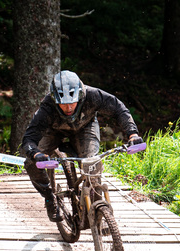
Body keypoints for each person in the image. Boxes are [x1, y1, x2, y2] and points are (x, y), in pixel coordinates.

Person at [22, 70, 144, 222]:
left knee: (92, 163)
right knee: (31, 163)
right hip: (53, 131)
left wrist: (133, 134)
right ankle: (48, 197)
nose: (68, 108)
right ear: (54, 100)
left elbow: (119, 109)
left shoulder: (93, 95)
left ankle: (97, 208)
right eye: (63, 104)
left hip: (84, 128)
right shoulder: (47, 107)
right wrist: (36, 154)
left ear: (80, 96)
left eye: (72, 102)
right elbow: (29, 139)